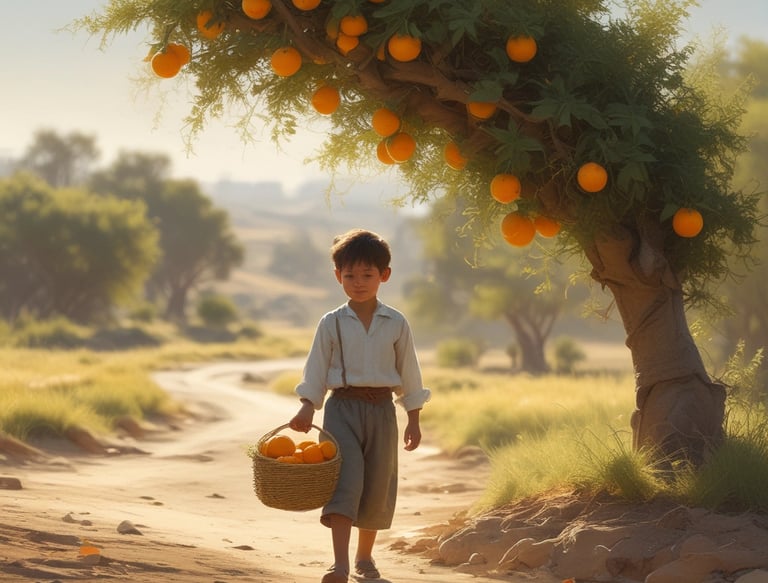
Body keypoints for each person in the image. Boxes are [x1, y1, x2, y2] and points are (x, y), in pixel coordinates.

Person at [289, 228, 430, 583]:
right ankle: (340, 564)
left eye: (368, 274)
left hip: (383, 411)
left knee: (377, 484)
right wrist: (308, 405)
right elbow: (316, 368)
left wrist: (413, 418)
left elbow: (409, 372)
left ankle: (364, 558)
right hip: (341, 410)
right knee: (345, 483)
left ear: (385, 275)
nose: (358, 282)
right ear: (338, 276)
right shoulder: (331, 322)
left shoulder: (396, 322)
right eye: (349, 275)